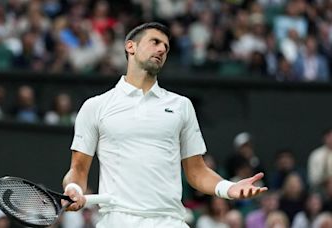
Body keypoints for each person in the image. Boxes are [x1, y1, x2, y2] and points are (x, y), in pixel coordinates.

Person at [61, 22, 267, 228]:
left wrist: (227, 188)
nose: (161, 49)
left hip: (170, 222)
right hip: (117, 220)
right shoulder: (95, 106)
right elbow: (78, 169)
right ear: (130, 47)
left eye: (166, 47)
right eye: (155, 42)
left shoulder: (181, 106)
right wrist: (74, 188)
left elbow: (196, 171)